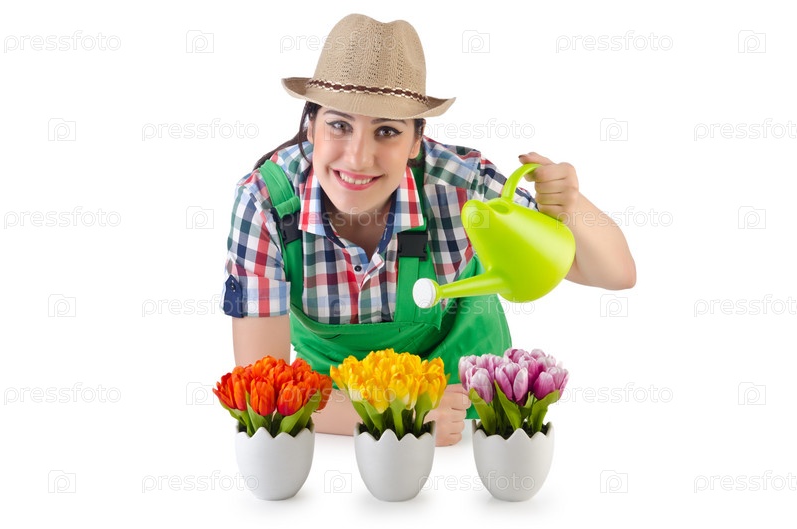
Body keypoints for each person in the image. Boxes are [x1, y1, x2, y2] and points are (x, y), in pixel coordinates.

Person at [222, 14, 635, 446]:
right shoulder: (266, 203)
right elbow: (262, 391)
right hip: (330, 427)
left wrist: (570, 204)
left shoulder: (463, 188)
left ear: (416, 140)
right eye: (339, 125)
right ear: (311, 126)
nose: (358, 157)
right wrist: (406, 414)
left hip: (471, 422)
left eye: (386, 131)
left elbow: (615, 274)